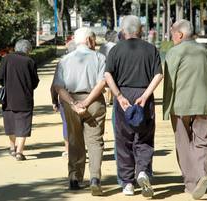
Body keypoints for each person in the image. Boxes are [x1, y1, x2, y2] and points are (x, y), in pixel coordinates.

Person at [163, 19, 207, 200]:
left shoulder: (174, 53)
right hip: (205, 105)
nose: (171, 35)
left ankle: (191, 183)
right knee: (203, 141)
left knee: (183, 144)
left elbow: (170, 83)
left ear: (179, 34)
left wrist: (166, 108)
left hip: (180, 106)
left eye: (172, 32)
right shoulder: (206, 51)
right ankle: (203, 173)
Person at [104, 15, 163, 197]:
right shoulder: (151, 49)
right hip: (144, 95)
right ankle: (143, 171)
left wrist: (119, 96)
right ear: (141, 30)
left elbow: (107, 75)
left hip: (124, 95)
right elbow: (159, 75)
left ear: (123, 31)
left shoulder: (115, 50)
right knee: (144, 136)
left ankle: (127, 182)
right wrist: (146, 95)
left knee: (123, 139)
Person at [51, 27, 106, 196]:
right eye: (94, 39)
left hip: (70, 102)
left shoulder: (65, 60)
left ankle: (74, 178)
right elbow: (102, 83)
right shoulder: (99, 57)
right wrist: (87, 102)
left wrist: (75, 103)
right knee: (95, 141)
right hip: (94, 101)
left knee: (74, 139)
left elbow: (58, 86)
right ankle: (95, 178)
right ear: (90, 40)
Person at [0, 39, 39, 161]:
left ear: (16, 48)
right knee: (23, 124)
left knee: (10, 123)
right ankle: (19, 152)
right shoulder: (30, 61)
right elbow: (35, 82)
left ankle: (12, 148)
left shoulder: (6, 58)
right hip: (24, 98)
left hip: (8, 98)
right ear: (28, 50)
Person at [99, 30, 118, 106]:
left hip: (104, 65)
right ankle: (112, 99)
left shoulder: (103, 46)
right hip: (114, 66)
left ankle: (107, 100)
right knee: (113, 82)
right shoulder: (116, 46)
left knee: (106, 83)